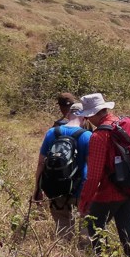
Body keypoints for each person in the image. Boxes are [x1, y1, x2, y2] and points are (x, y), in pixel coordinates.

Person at [76, 93, 130, 256]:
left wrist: (84, 202)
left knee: (93, 224)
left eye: (87, 116)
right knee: (128, 230)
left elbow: (93, 176)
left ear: (92, 114)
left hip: (109, 192)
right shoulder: (127, 125)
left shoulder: (99, 136)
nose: (87, 120)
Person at [33, 101, 91, 241]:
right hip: (80, 188)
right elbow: (91, 165)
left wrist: (37, 189)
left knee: (63, 227)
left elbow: (41, 163)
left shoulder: (52, 132)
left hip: (55, 186)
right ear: (85, 118)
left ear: (68, 114)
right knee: (86, 226)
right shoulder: (87, 136)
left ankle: (63, 255)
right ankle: (83, 256)